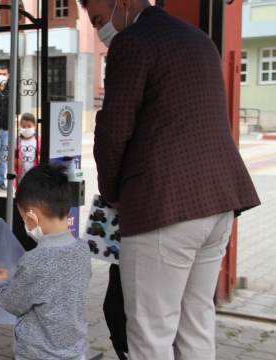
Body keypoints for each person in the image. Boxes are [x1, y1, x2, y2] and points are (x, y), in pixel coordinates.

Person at [79, 1, 261, 359]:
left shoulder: (133, 41)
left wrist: (113, 194)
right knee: (196, 325)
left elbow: (113, 131)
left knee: (151, 336)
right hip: (217, 203)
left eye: (99, 19)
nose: (101, 35)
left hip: (164, 208)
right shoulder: (199, 38)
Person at [0, 164, 91, 360]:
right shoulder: (82, 249)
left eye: (23, 217)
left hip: (38, 354)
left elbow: (14, 303)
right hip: (76, 351)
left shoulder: (34, 260)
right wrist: (14, 276)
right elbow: (55, 281)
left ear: (32, 217)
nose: (25, 222)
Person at [14, 113, 41, 190]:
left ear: (35, 126)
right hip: (21, 175)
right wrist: (16, 161)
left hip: (35, 175)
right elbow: (11, 157)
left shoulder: (38, 141)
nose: (26, 129)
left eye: (29, 126)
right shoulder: (18, 142)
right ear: (20, 126)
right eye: (24, 126)